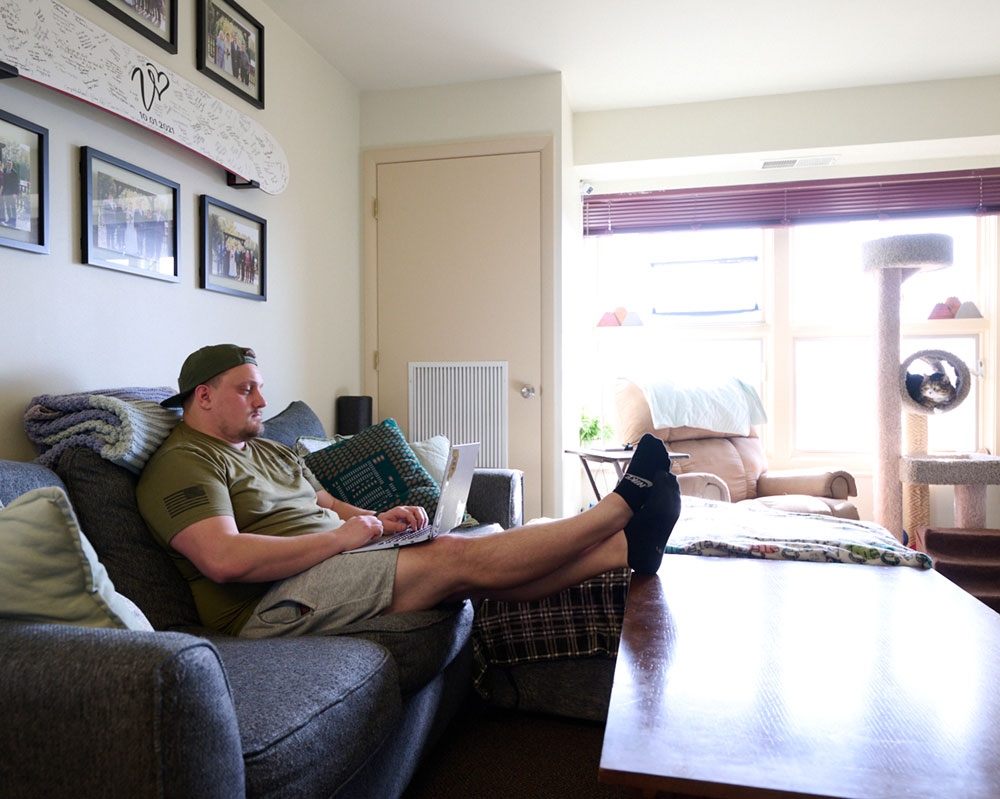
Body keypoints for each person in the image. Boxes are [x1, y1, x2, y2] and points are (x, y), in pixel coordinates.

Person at [136, 345, 681, 638]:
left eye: (260, 385)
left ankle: (628, 549)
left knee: (472, 561)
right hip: (268, 603)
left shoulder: (266, 450)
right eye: (246, 389)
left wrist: (379, 519)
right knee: (451, 556)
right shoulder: (183, 463)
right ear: (203, 397)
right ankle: (614, 514)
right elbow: (224, 559)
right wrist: (345, 540)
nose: (262, 399)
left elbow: (324, 504)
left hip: (333, 563)